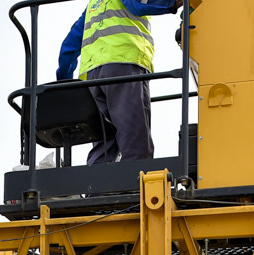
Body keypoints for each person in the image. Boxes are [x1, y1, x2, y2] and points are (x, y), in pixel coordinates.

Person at [57, 0, 183, 164]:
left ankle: (97, 188)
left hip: (92, 80)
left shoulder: (93, 6)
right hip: (123, 66)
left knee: (103, 143)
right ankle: (137, 185)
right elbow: (137, 5)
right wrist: (172, 2)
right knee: (134, 140)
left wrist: (64, 81)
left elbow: (69, 46)